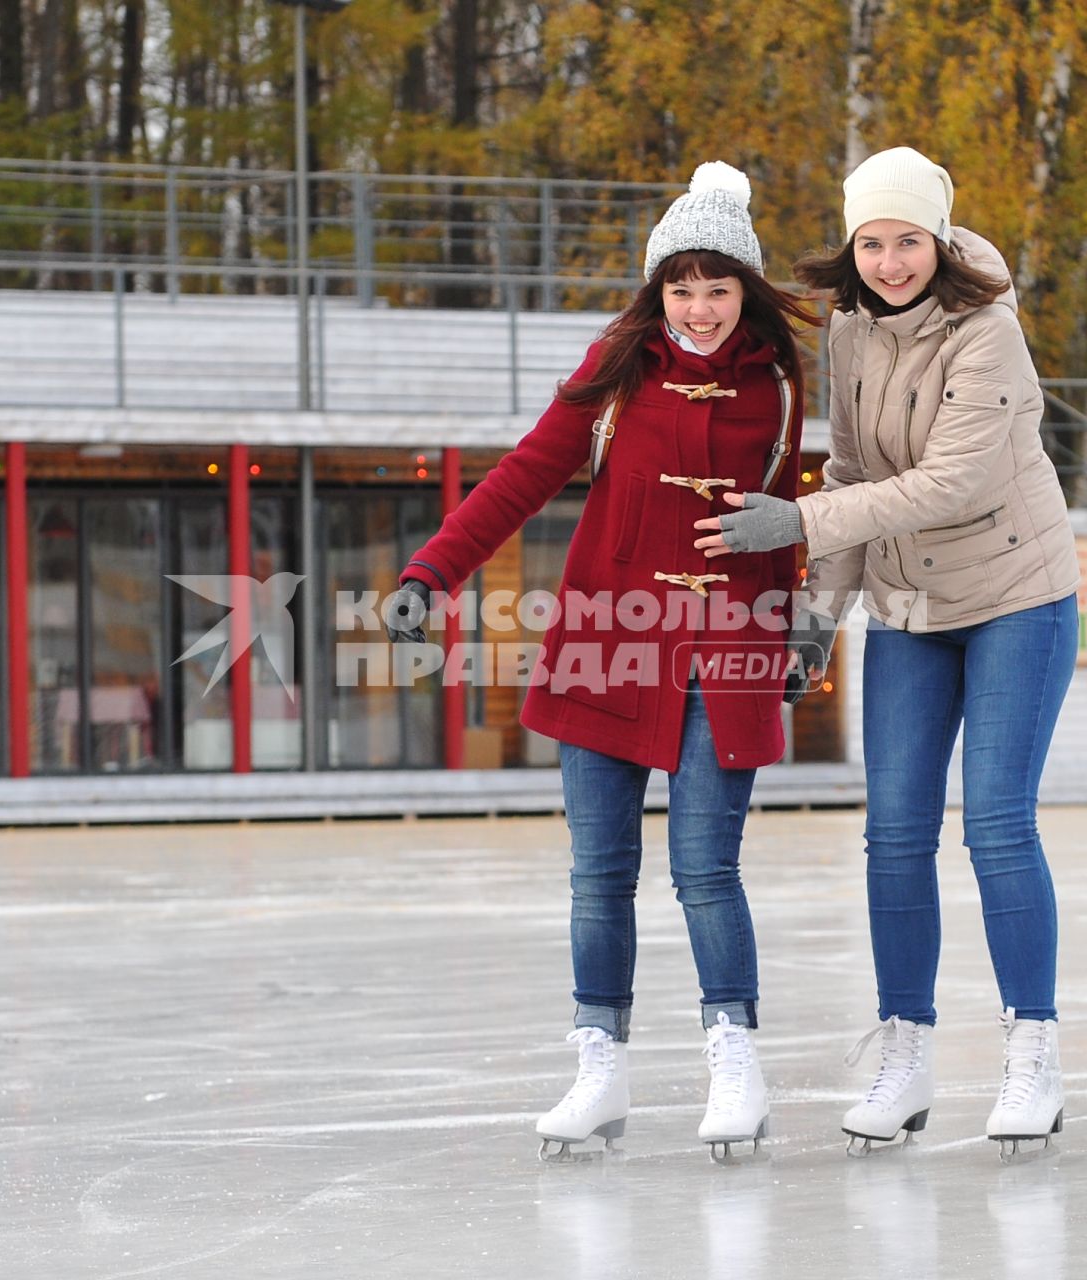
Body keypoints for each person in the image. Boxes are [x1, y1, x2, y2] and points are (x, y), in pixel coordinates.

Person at [382, 162, 825, 1161]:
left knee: (706, 870)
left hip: (727, 648)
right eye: (682, 285)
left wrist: (805, 617)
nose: (700, 307)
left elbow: (799, 516)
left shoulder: (781, 382)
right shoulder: (616, 369)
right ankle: (600, 1067)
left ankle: (735, 1063)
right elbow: (523, 474)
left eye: (718, 287)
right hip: (607, 644)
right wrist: (432, 571)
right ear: (656, 288)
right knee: (599, 877)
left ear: (743, 290)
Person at [694, 145, 1081, 1158]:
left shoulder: (987, 331)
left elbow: (949, 483)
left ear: (938, 239)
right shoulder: (851, 332)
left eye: (908, 239)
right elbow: (859, 466)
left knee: (994, 823)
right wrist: (817, 616)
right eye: (872, 241)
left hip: (1014, 596)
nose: (890, 260)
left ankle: (1031, 1047)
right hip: (910, 605)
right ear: (853, 245)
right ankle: (905, 1048)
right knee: (893, 832)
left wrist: (796, 523)